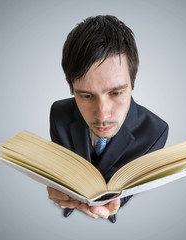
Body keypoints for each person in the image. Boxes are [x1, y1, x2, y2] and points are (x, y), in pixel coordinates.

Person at [47, 15, 169, 223]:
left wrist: (116, 203)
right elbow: (62, 170)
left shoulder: (155, 132)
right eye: (86, 96)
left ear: (133, 81)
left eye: (116, 93)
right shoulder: (59, 114)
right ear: (71, 86)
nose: (102, 115)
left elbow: (131, 186)